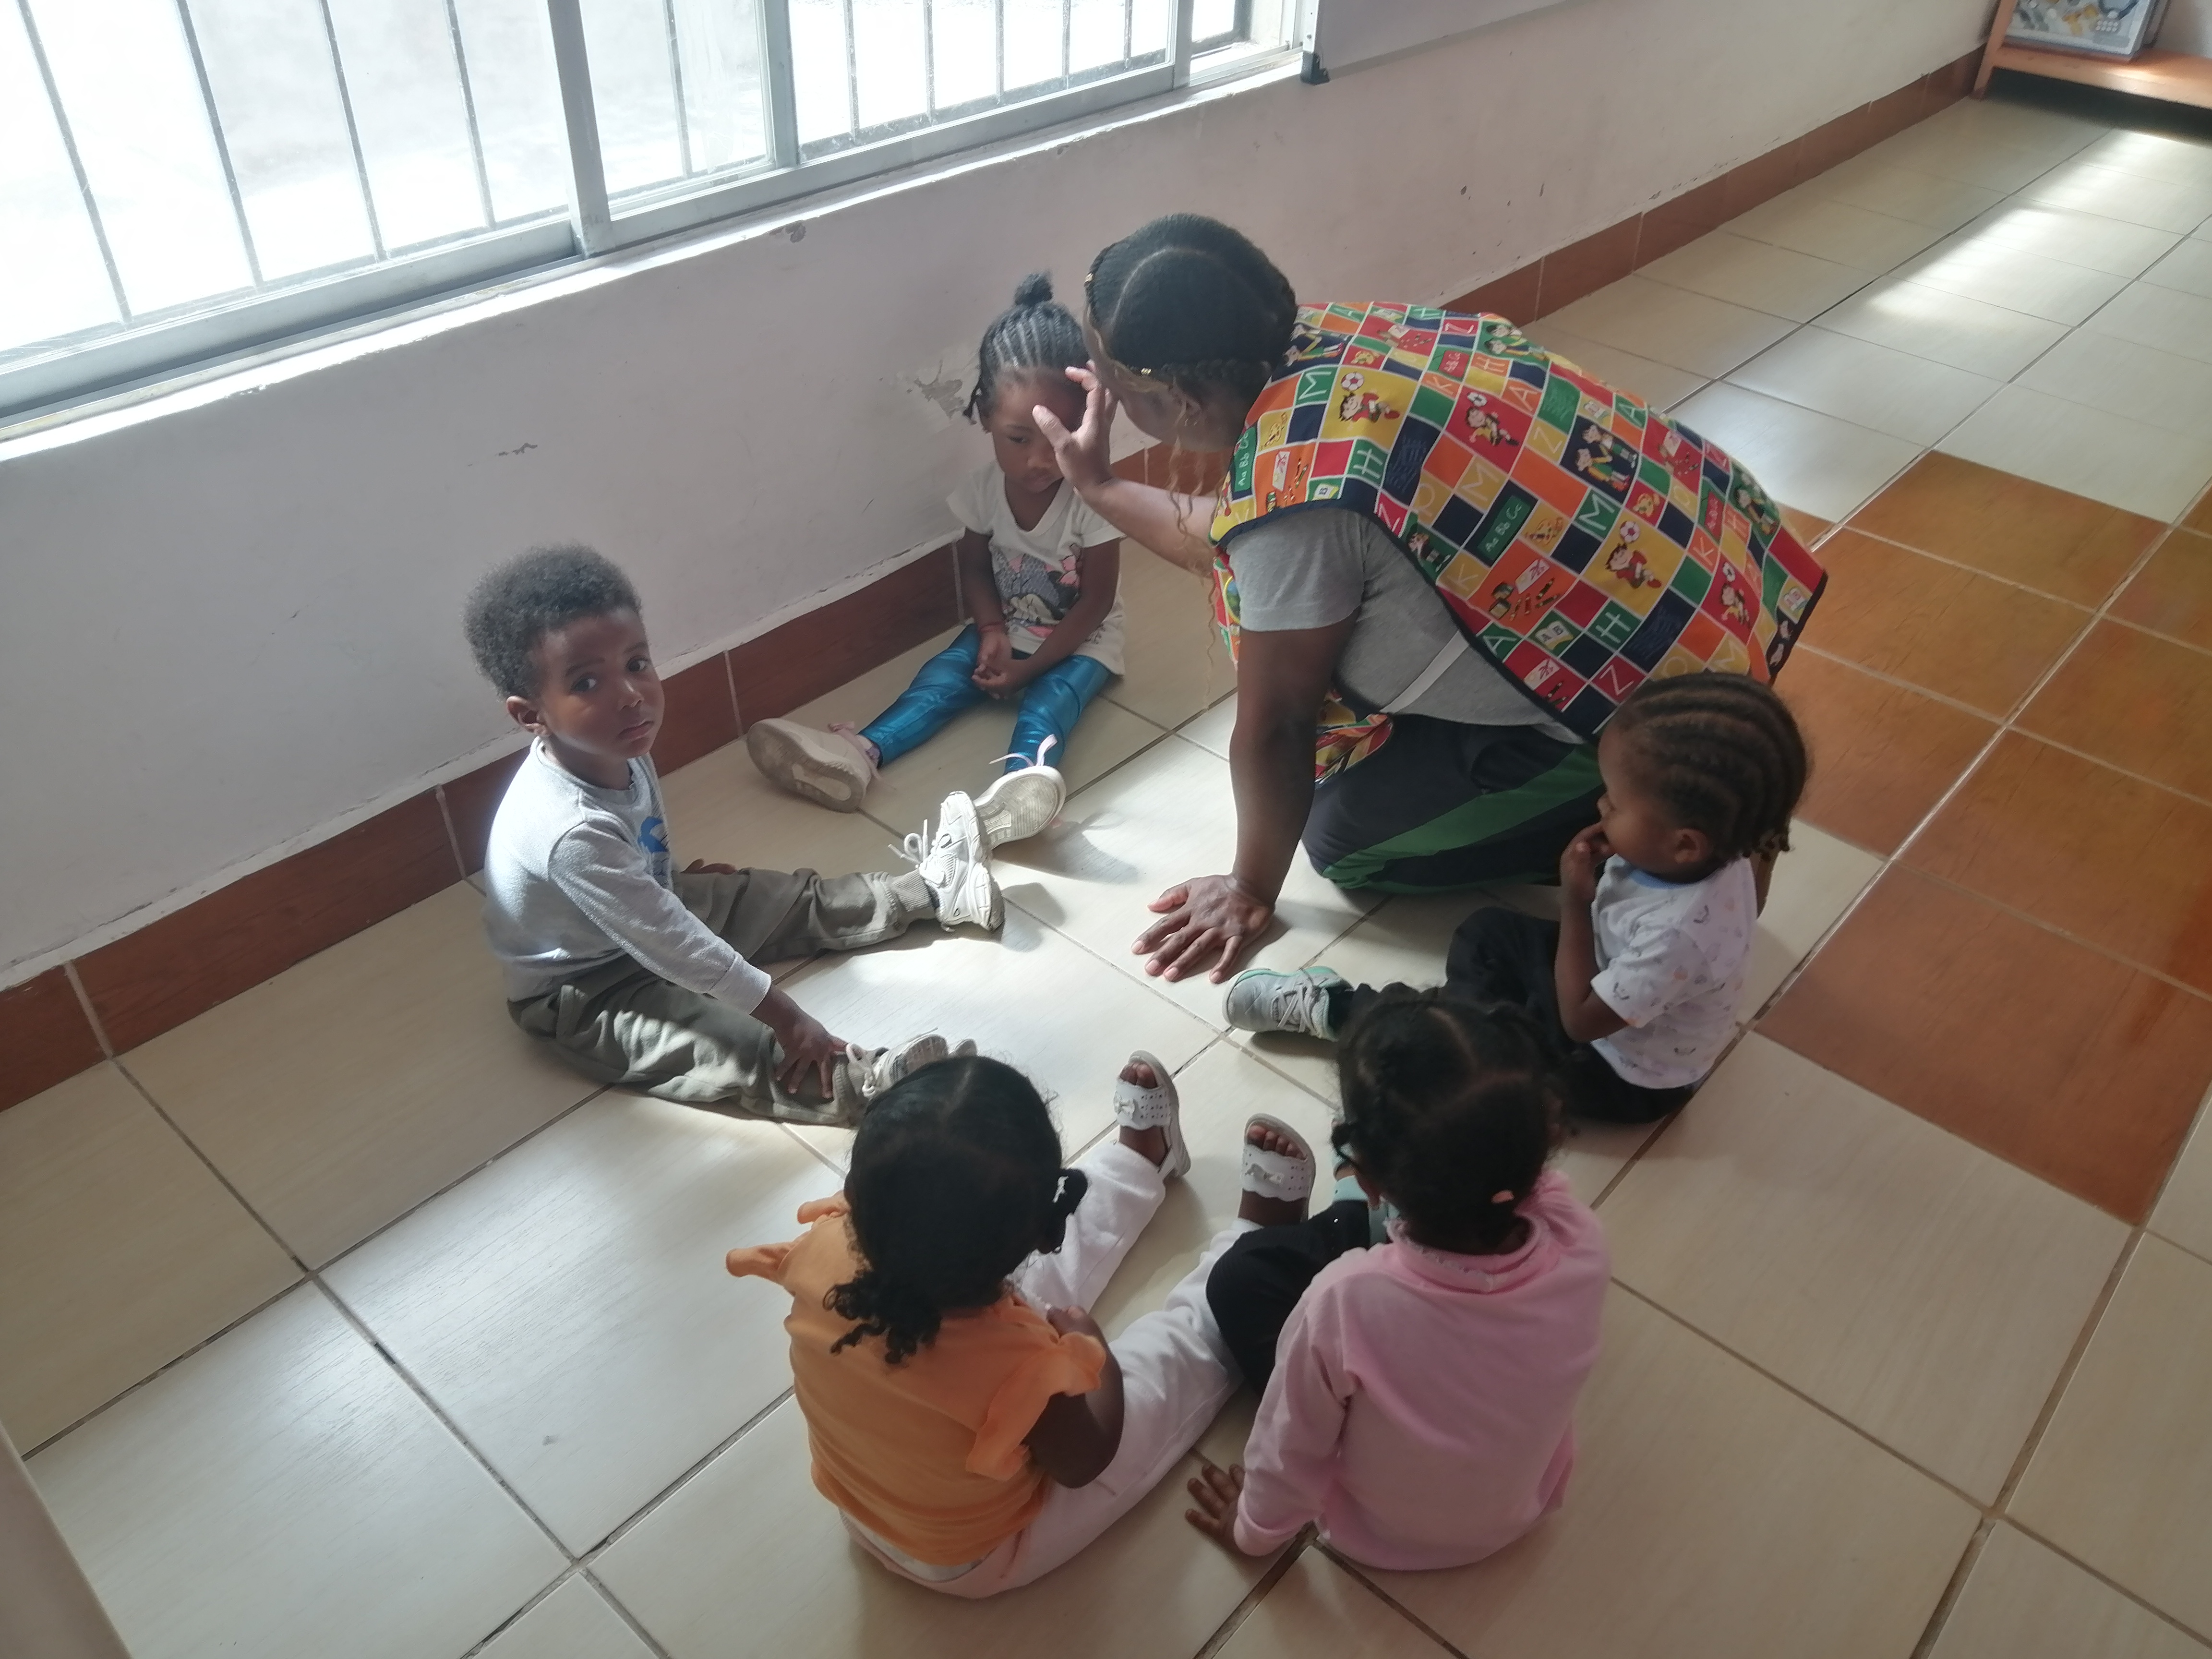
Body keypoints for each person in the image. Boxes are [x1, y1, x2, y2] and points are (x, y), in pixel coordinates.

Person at [1030, 214, 1826, 985]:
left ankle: (1675, 826)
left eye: (1117, 383)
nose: (1108, 398)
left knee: (1340, 839)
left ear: (1182, 396)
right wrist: (1098, 485)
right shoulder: (1331, 340)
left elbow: (1277, 725)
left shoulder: (1298, 508)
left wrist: (1248, 885)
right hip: (1706, 612)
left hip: (1630, 726)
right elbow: (1246, 536)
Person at [465, 543, 1009, 1122]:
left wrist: (663, 878)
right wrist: (785, 1016)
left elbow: (641, 868)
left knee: (772, 898)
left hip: (643, 913)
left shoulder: (616, 739)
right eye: (587, 683)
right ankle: (868, 1085)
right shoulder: (569, 830)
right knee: (716, 1043)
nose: (629, 695)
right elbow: (670, 942)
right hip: (585, 988)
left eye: (636, 663)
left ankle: (927, 892)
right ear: (532, 715)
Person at [728, 1050, 1262, 1596]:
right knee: (1153, 1381)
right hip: (977, 1557)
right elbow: (1086, 1459)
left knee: (976, 1257)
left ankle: (1139, 1167)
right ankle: (1245, 1276)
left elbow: (965, 1259)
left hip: (863, 1510)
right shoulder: (1016, 1371)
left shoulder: (823, 1246)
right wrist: (1093, 1353)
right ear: (1041, 1235)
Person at [1227, 673, 1807, 1123]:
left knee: (1477, 1060)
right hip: (1611, 975)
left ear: (1684, 844)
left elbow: (1580, 1022)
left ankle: (1350, 1013)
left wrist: (1575, 900)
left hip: (1618, 1072)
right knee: (1488, 934)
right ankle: (1458, 1026)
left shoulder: (1679, 934)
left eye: (1616, 802)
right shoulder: (1717, 848)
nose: (1600, 806)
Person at [1184, 990, 1610, 1571]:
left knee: (1238, 1279)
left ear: (1373, 1179)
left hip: (1378, 1536)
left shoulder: (1344, 1300)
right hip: (1518, 1513)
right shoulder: (1581, 1240)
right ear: (1547, 1138)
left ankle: (1350, 1214)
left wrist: (1252, 1532)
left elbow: (1290, 1446)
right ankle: (1352, 1215)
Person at [745, 274, 1121, 821]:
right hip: (1010, 624)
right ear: (985, 417)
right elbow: (974, 567)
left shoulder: (1092, 498)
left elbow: (1097, 602)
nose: (1039, 460)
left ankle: (1022, 787)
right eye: (1019, 439)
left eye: (1057, 437)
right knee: (942, 677)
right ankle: (860, 752)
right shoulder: (982, 491)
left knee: (1051, 702)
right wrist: (991, 630)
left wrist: (1032, 668)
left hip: (1083, 640)